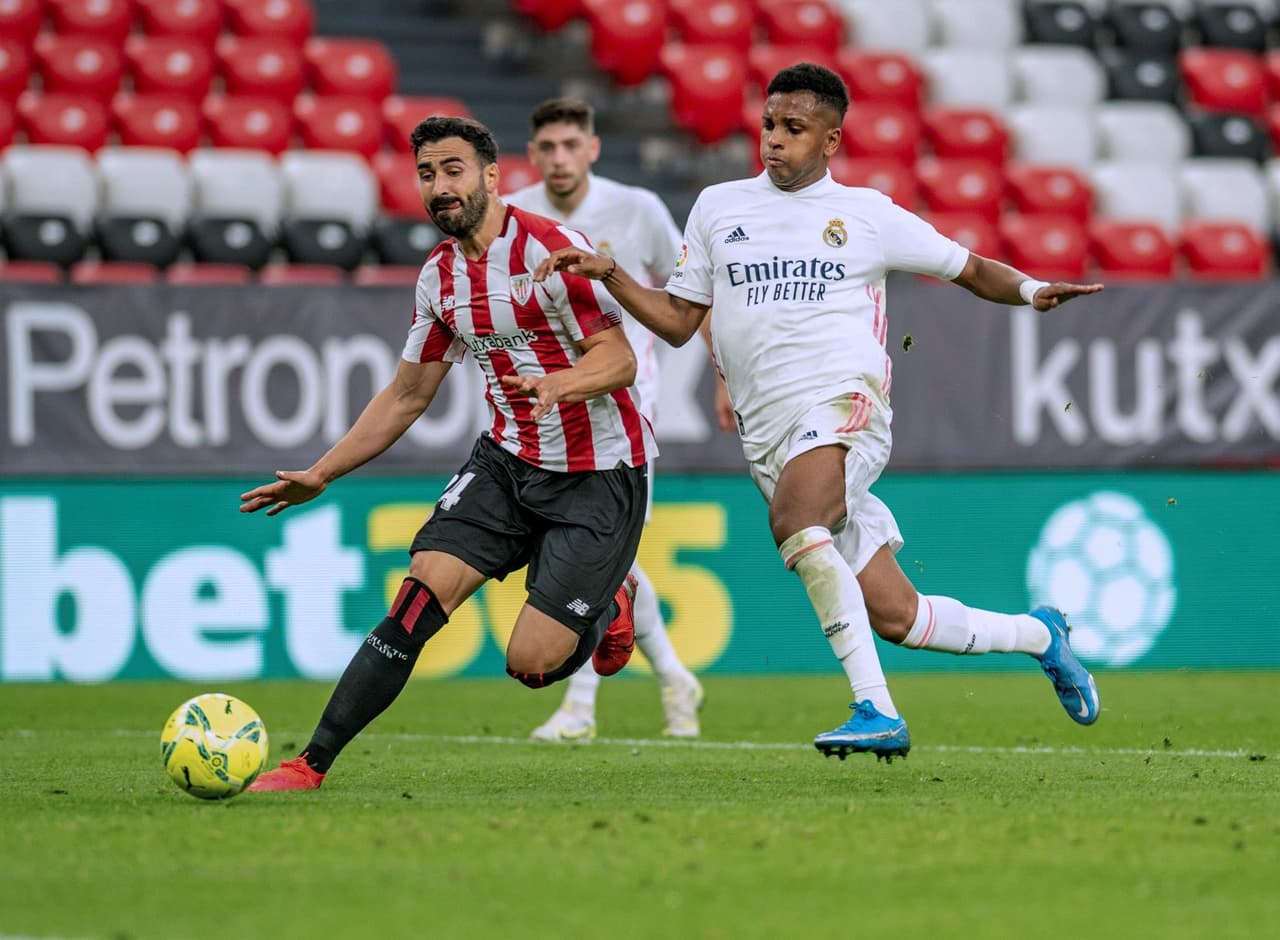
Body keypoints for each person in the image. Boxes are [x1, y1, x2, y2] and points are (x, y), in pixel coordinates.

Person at [535, 63, 1104, 762]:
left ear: (831, 140)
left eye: (794, 128)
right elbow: (681, 321)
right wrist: (615, 276)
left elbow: (969, 266)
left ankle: (877, 710)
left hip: (844, 402)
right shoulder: (718, 207)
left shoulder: (867, 213)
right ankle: (1042, 635)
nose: (774, 139)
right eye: (769, 124)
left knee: (797, 522)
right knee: (900, 617)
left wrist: (1032, 289)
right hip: (768, 434)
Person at [241, 115, 657, 791]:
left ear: (492, 175)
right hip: (507, 463)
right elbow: (408, 394)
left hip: (598, 475)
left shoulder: (550, 248)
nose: (440, 187)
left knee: (532, 665)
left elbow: (619, 360)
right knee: (416, 598)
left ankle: (611, 600)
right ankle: (309, 763)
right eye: (427, 174)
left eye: (453, 170)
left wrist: (560, 383)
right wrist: (321, 473)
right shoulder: (439, 277)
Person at [506, 96, 704, 742]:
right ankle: (674, 676)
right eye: (547, 147)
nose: (559, 158)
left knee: (599, 556)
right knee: (608, 562)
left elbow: (690, 294)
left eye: (571, 145)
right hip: (552, 409)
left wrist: (719, 377)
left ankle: (580, 707)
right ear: (532, 154)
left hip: (627, 403)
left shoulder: (638, 209)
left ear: (592, 148)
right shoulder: (513, 215)